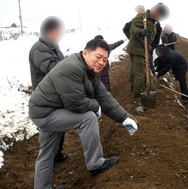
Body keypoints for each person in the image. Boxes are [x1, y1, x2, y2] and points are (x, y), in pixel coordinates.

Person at [29, 39, 138, 189]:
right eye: (98, 57)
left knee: (47, 153)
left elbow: (103, 96)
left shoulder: (89, 70)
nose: (101, 62)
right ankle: (95, 163)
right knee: (88, 118)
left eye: (105, 59)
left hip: (47, 109)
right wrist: (96, 107)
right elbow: (75, 103)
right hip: (46, 112)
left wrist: (124, 118)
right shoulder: (72, 68)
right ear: (86, 52)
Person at [28, 17, 70, 169]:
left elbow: (61, 63)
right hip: (45, 95)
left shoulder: (54, 46)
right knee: (50, 131)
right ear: (48, 31)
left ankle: (57, 154)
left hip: (56, 93)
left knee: (60, 127)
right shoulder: (39, 48)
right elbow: (53, 68)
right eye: (57, 31)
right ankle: (48, 161)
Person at [126, 3, 169, 107]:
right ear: (156, 11)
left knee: (145, 74)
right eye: (160, 15)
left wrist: (150, 48)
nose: (160, 18)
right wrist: (140, 32)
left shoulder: (155, 22)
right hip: (137, 49)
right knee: (140, 76)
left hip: (145, 50)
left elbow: (153, 38)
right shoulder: (142, 16)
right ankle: (137, 98)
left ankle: (143, 91)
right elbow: (133, 28)